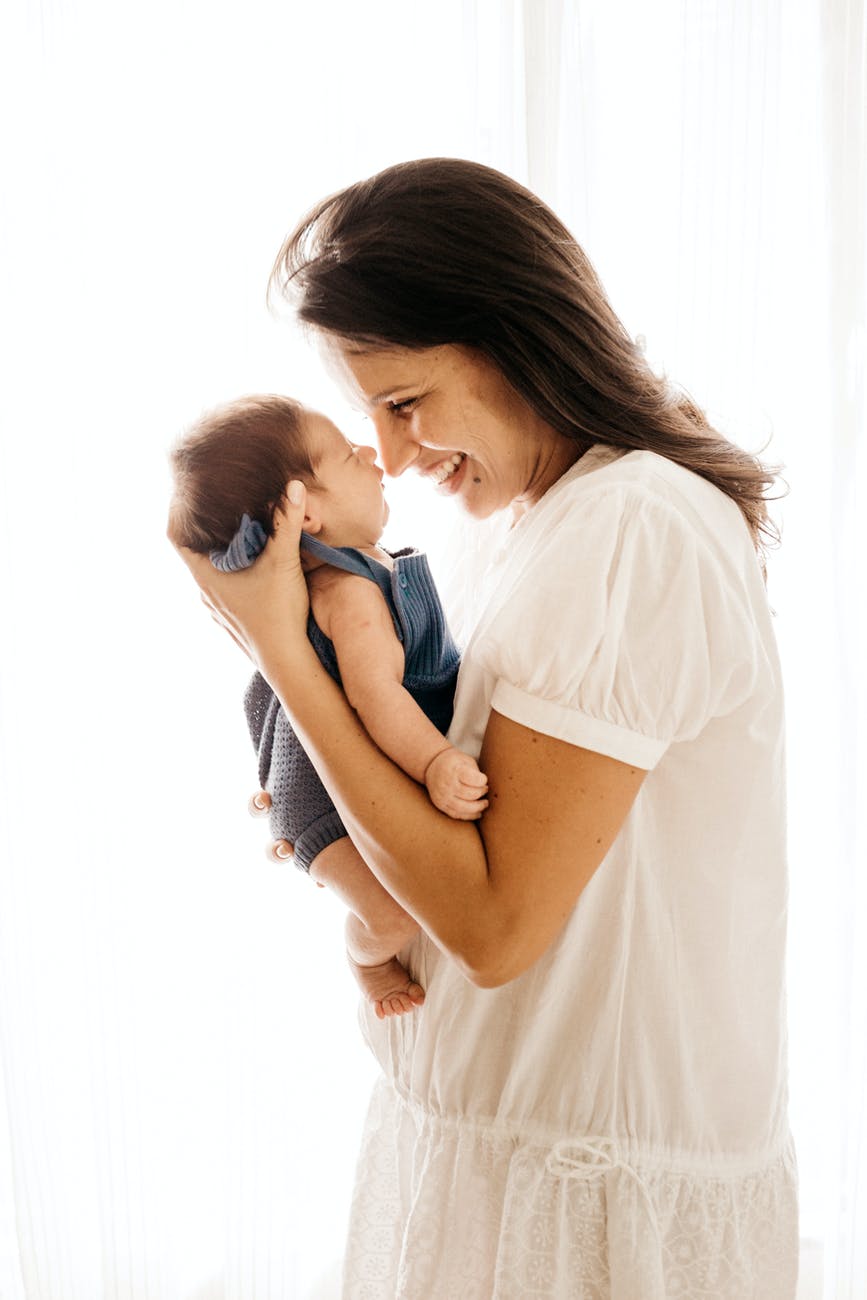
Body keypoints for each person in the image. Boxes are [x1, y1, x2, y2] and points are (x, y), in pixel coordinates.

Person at [173, 159, 798, 1298]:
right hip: (491, 1166)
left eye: (406, 403)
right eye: (370, 416)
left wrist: (276, 651)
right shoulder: (530, 522)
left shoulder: (634, 525)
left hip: (577, 1206)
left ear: (517, 336)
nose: (395, 456)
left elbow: (495, 926)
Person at [168, 393, 488, 1018]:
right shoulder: (347, 593)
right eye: (347, 453)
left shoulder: (362, 572)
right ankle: (366, 958)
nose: (372, 452)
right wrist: (435, 764)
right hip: (319, 797)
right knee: (393, 912)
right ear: (304, 510)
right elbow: (378, 701)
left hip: (334, 767)